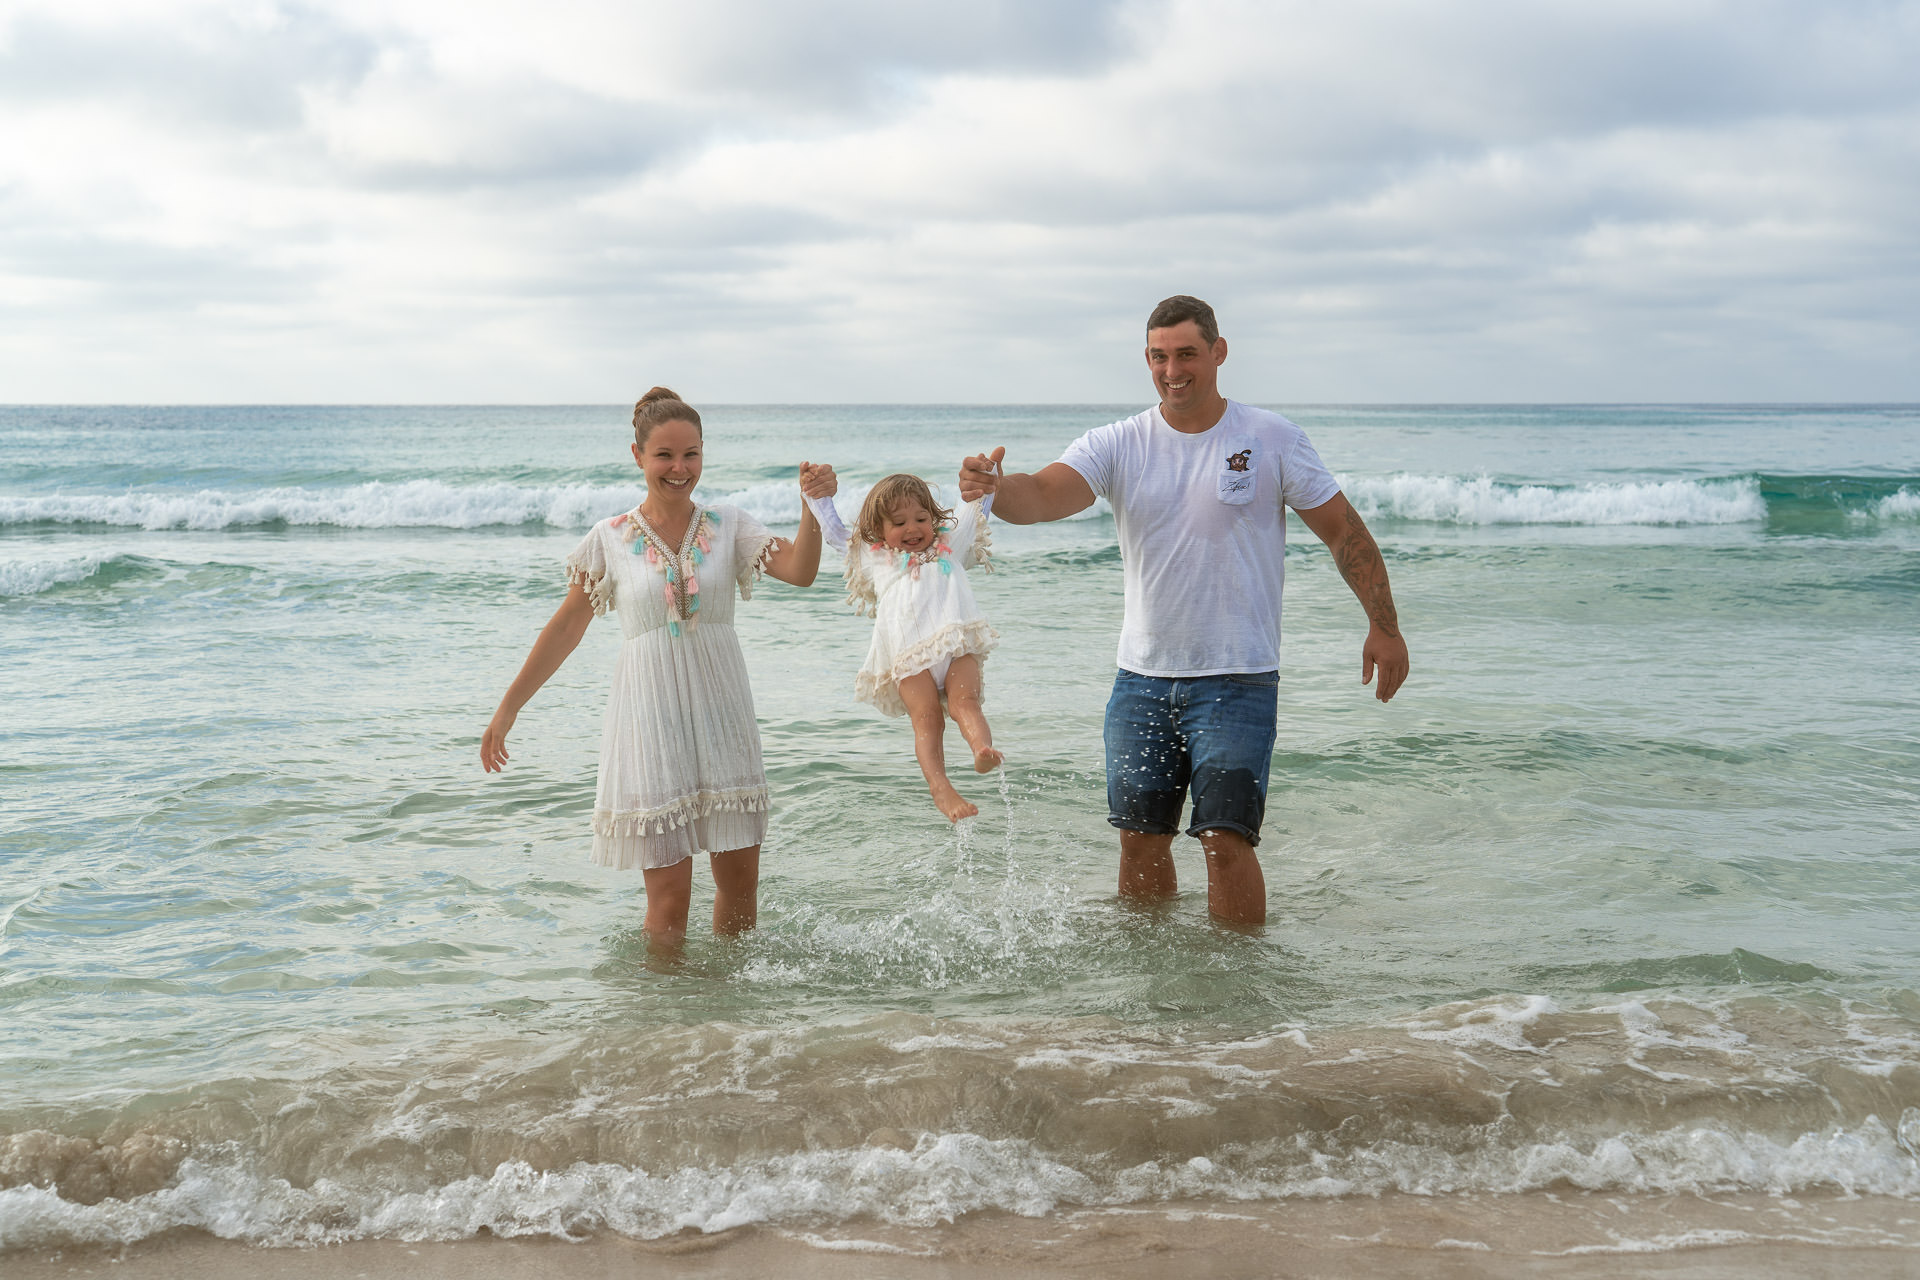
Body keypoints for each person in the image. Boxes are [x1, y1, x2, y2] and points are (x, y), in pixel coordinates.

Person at [957, 296, 1410, 926]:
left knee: (1226, 844)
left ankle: (1244, 1001)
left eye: (1187, 354)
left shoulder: (1269, 437)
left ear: (1219, 353)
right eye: (1160, 357)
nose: (1174, 370)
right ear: (1147, 360)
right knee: (1140, 843)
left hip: (1237, 678)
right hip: (1140, 680)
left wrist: (1383, 627)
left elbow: (1344, 532)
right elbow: (1038, 496)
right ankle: (1156, 992)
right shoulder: (1119, 443)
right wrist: (995, 487)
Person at [480, 387, 836, 949]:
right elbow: (567, 627)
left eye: (691, 454)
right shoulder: (611, 538)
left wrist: (813, 507)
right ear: (638, 456)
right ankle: (665, 1031)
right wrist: (508, 710)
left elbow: (802, 571)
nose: (679, 468)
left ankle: (734, 1021)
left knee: (740, 889)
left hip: (724, 717)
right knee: (669, 901)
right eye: (665, 456)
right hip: (650, 722)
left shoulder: (730, 524)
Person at [804, 473, 1003, 822]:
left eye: (922, 519)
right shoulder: (873, 557)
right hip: (909, 657)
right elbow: (836, 533)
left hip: (956, 646)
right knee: (926, 718)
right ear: (878, 531)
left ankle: (981, 749)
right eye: (899, 522)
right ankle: (940, 786)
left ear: (934, 519)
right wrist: (816, 495)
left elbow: (976, 510)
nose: (913, 528)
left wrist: (986, 476)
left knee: (965, 702)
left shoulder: (950, 543)